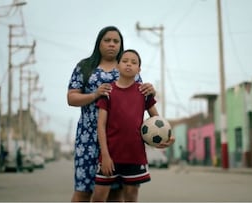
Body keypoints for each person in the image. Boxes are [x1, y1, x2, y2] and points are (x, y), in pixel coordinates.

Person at [67, 26, 175, 202]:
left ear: (121, 45)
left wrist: (164, 132)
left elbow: (143, 100)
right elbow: (71, 98)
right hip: (88, 141)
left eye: (116, 41)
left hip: (119, 143)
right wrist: (95, 95)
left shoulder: (127, 66)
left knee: (116, 193)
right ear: (99, 42)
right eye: (107, 40)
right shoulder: (85, 67)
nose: (111, 44)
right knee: (83, 191)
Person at [91, 49, 158, 202]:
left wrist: (167, 137)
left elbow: (157, 121)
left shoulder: (143, 92)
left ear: (139, 69)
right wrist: (105, 156)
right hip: (110, 156)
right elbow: (101, 125)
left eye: (134, 62)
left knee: (131, 198)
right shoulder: (108, 91)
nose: (129, 64)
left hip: (135, 156)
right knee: (98, 198)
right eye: (125, 61)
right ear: (118, 66)